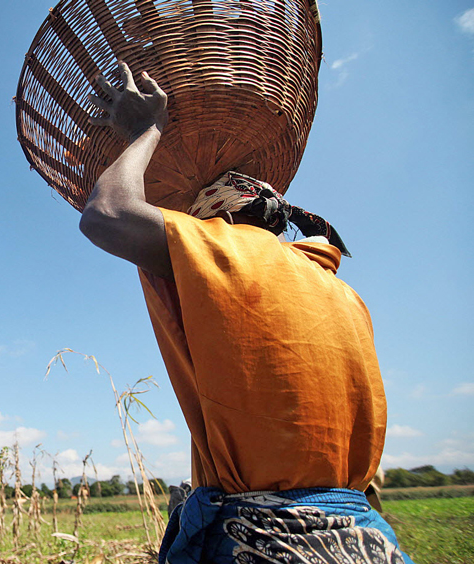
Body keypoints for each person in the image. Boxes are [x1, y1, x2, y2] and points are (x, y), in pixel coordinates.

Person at [80, 62, 413, 564]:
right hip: (366, 539)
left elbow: (107, 215)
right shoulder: (341, 292)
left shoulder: (227, 250)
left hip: (262, 539)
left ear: (224, 220)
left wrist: (147, 129)